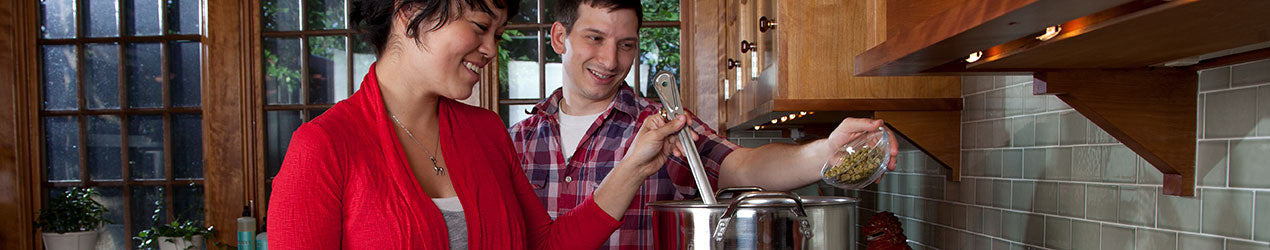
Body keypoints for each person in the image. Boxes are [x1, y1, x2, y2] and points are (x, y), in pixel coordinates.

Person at [266, 0, 693, 249]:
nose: (490, 49)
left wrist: (636, 164)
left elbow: (546, 245)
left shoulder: (486, 132)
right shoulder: (323, 147)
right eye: (479, 27)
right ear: (408, 11)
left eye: (499, 34)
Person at [506, 0, 901, 248]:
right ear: (560, 37)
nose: (611, 60)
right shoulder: (516, 143)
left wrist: (827, 151)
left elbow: (745, 166)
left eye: (626, 44)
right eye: (594, 38)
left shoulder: (664, 126)